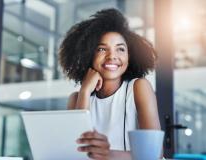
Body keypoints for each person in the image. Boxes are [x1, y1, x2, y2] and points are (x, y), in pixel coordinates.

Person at [59, 8, 161, 160]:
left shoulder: (138, 87)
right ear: (89, 54)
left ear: (129, 56)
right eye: (101, 49)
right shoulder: (76, 98)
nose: (112, 56)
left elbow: (154, 154)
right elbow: (77, 154)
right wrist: (85, 91)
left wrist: (108, 154)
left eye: (120, 49)